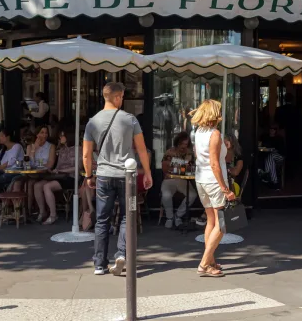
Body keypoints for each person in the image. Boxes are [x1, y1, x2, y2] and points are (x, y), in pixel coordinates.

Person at [83, 82, 153, 277]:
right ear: (115, 97)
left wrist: (89, 175)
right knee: (125, 217)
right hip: (126, 175)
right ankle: (121, 253)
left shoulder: (93, 121)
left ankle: (99, 263)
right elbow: (141, 148)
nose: (122, 100)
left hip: (104, 175)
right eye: (121, 96)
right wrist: (147, 172)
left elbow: (86, 155)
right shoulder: (129, 119)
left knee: (102, 220)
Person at [191, 99, 235, 278]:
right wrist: (225, 188)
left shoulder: (198, 132)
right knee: (222, 224)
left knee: (211, 221)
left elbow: (199, 155)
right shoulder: (215, 134)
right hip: (214, 181)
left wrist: (225, 147)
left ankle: (210, 261)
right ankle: (204, 262)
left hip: (201, 179)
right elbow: (216, 164)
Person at [33, 130, 76, 224]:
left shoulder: (77, 149)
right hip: (59, 176)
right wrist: (52, 171)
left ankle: (53, 215)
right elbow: (58, 166)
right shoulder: (62, 150)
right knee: (37, 185)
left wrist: (61, 171)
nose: (60, 138)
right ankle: (42, 212)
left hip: (71, 177)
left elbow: (78, 167)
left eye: (62, 136)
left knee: (47, 186)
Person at [160, 132, 197, 229]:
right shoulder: (170, 152)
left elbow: (191, 168)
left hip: (182, 180)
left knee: (192, 195)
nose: (183, 146)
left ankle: (178, 216)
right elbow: (164, 168)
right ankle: (169, 217)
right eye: (182, 144)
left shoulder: (189, 153)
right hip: (169, 179)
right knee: (166, 195)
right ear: (177, 143)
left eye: (186, 144)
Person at [24, 125, 57, 213]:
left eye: (46, 133)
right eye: (42, 132)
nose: (44, 135)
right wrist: (34, 150)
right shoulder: (30, 147)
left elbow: (50, 164)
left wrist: (37, 165)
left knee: (33, 184)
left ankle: (41, 212)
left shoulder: (51, 146)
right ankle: (29, 211)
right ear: (37, 134)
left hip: (45, 174)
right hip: (33, 174)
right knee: (27, 183)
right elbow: (28, 164)